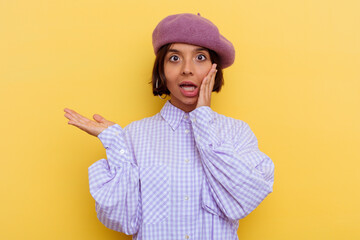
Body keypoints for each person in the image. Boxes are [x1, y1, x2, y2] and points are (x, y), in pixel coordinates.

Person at [64, 13, 274, 240]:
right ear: (161, 70)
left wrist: (202, 119)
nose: (187, 69)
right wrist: (116, 144)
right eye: (174, 58)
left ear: (214, 69)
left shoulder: (237, 132)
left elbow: (243, 199)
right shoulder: (134, 135)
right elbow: (123, 220)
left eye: (200, 57)